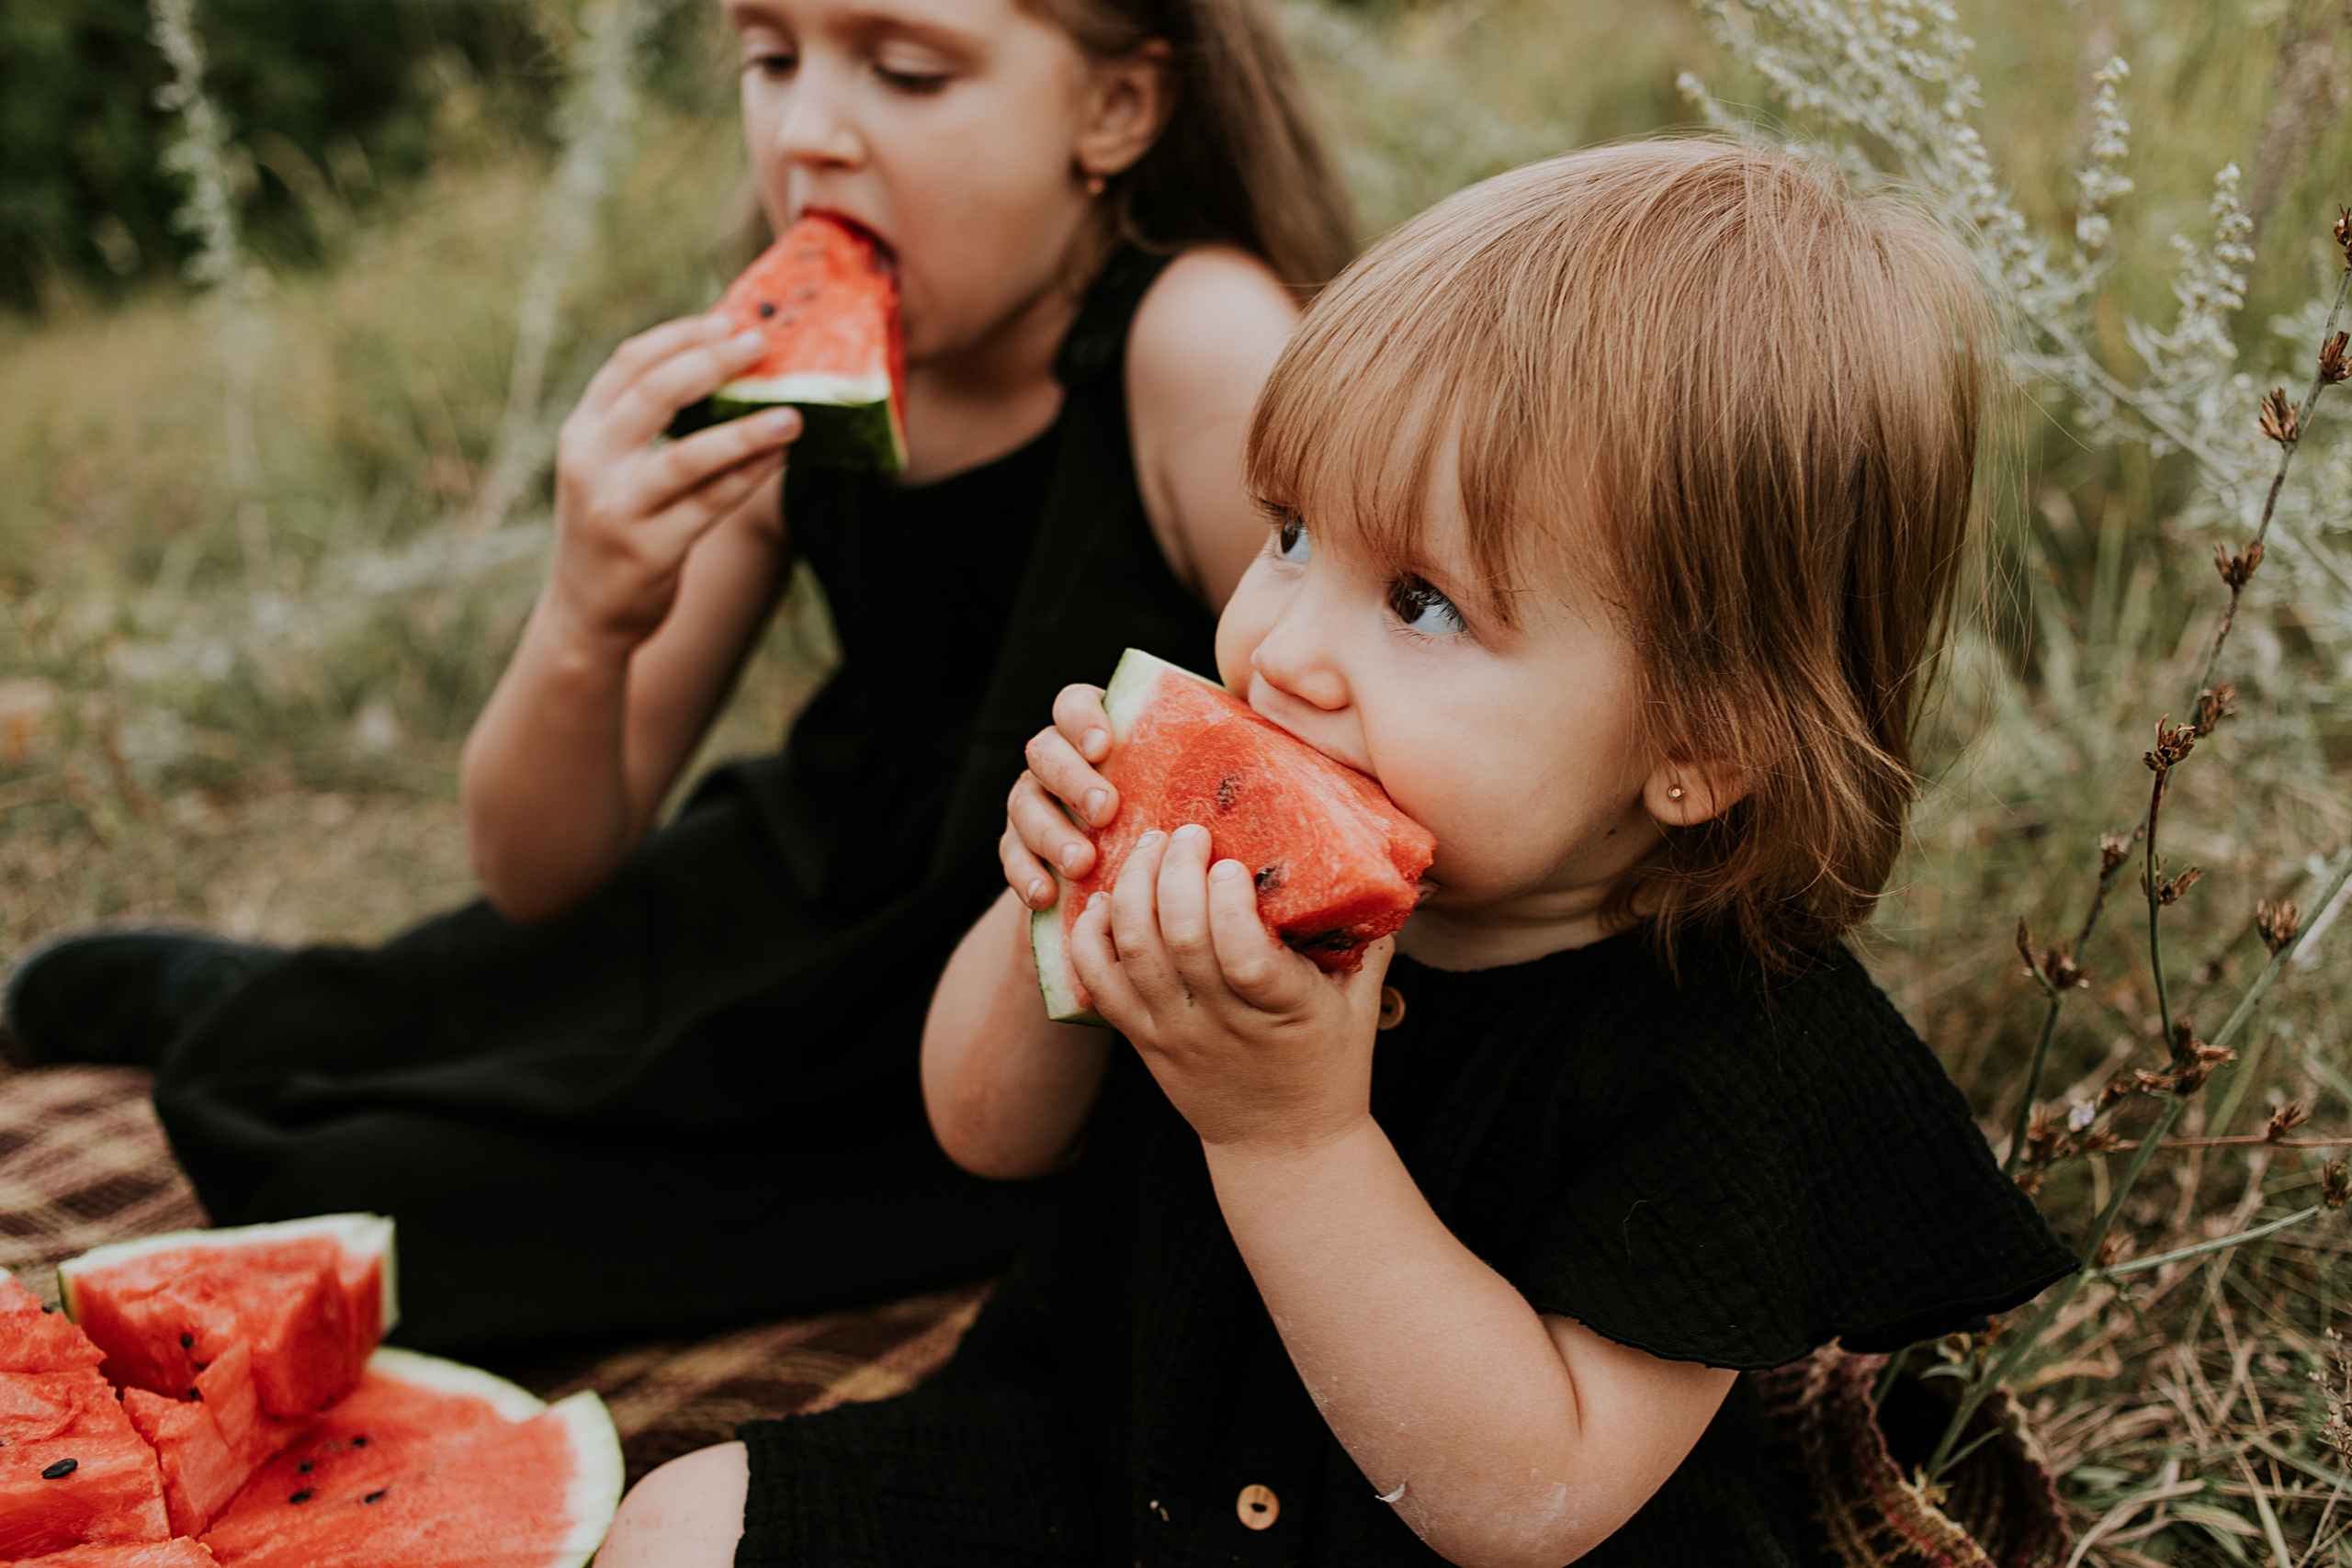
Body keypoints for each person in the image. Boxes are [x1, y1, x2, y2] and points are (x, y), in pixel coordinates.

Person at [594, 140, 2081, 1568]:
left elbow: (1530, 1504)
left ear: (1702, 741)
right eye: (1293, 533)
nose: (1284, 650)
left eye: (1422, 602)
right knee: (678, 1521)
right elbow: (987, 1132)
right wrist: (1041, 898)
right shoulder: (1226, 870)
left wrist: (1290, 1138)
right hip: (1097, 1457)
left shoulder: (1742, 1058)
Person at [0, 0, 1351, 1352]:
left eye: (904, 70)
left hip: (1027, 991)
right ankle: (282, 1002)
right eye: (770, 59)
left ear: (1117, 110)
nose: (808, 132)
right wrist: (585, 615)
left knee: (357, 1188)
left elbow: (1354, 751)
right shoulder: (789, 367)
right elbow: (537, 872)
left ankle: (303, 1016)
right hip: (807, 884)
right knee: (396, 1020)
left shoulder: (1199, 345)